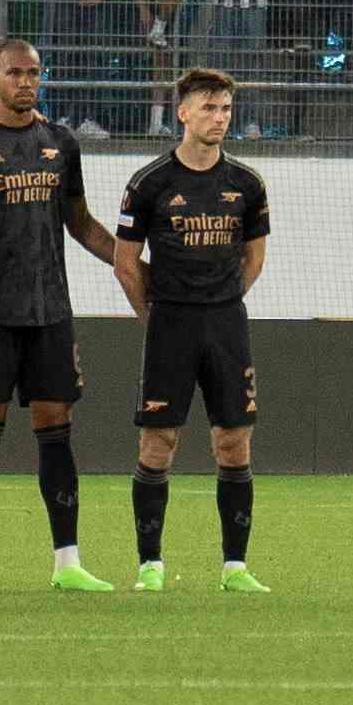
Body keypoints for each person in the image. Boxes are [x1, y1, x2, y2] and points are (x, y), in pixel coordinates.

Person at [0, 39, 139, 594]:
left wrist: (132, 263)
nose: (25, 82)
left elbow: (81, 224)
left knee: (56, 431)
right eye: (15, 72)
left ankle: (68, 563)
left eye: (33, 73)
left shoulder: (61, 143)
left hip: (50, 313)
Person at [121, 65, 278, 592]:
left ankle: (236, 567)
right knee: (158, 442)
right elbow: (126, 264)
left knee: (233, 442)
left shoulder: (247, 184)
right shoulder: (149, 183)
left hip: (226, 325)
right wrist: (157, 316)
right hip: (170, 324)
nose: (220, 117)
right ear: (183, 113)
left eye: (226, 108)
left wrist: (220, 302)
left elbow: (254, 259)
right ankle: (150, 565)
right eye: (209, 107)